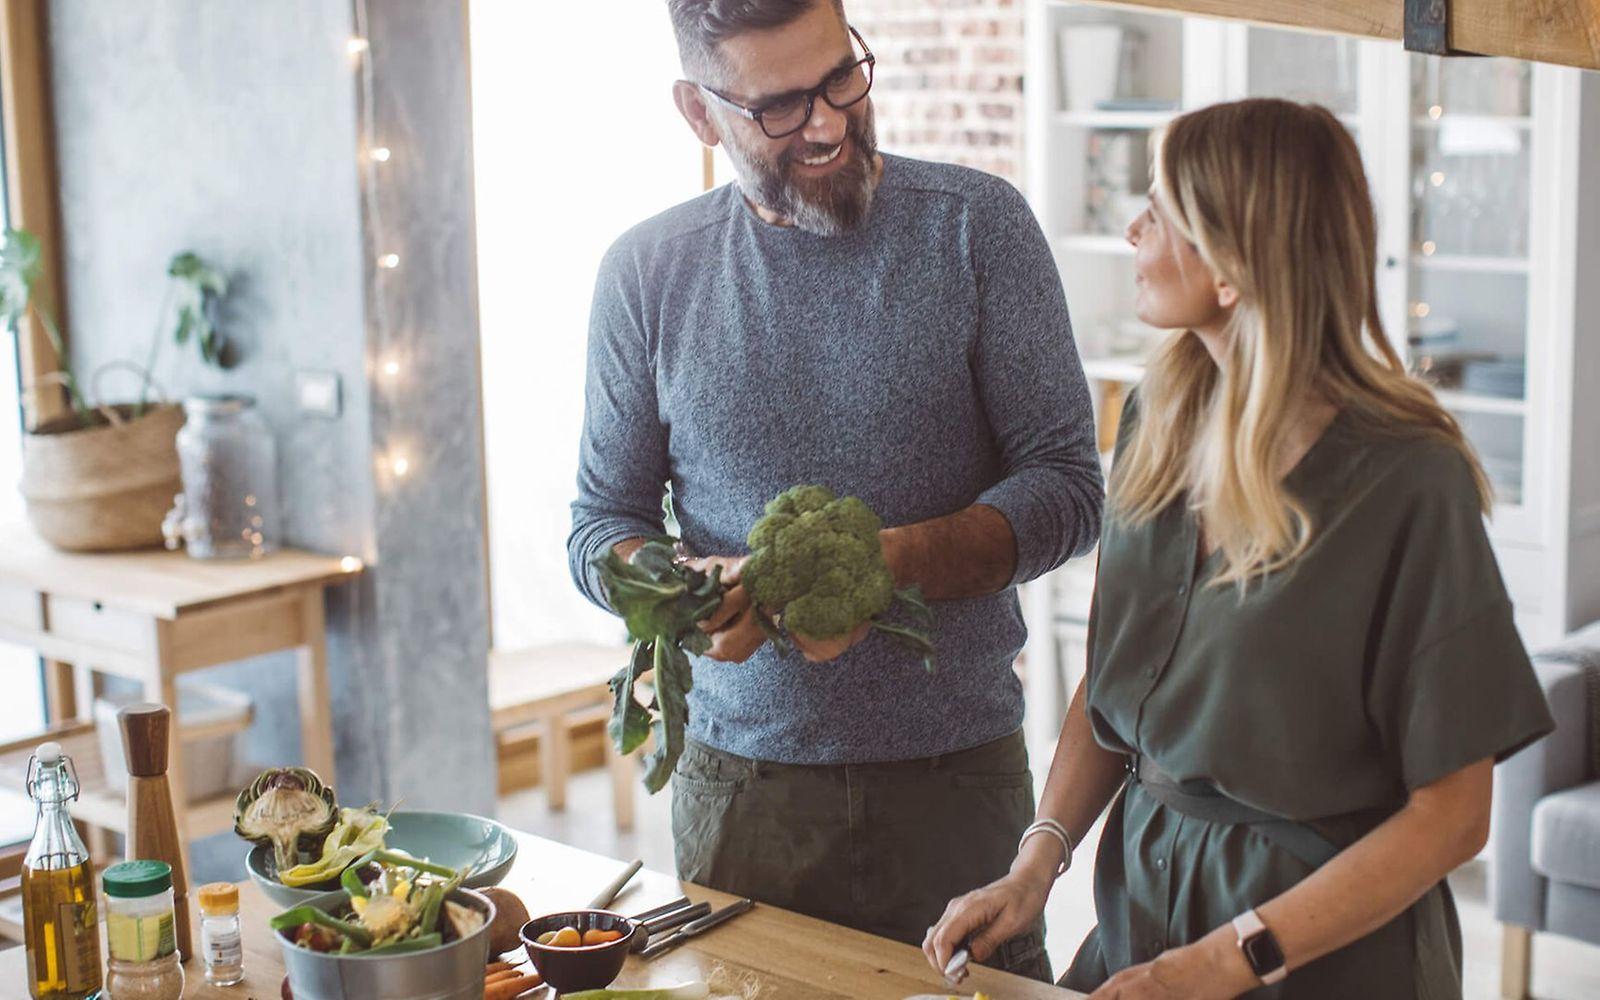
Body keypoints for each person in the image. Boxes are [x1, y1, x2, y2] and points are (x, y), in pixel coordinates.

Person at [923, 98, 1555, 998]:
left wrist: (1230, 958)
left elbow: (1453, 817)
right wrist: (1036, 865)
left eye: (1160, 210)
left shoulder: (1409, 478)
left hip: (1325, 952)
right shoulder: (1151, 422)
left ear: (1232, 263)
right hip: (1143, 920)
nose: (1131, 226)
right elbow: (1110, 684)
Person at [567, 0, 1102, 978]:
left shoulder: (979, 228)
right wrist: (685, 595)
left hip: (958, 780)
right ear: (697, 110)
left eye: (841, 78)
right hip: (742, 792)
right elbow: (601, 523)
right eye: (777, 105)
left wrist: (887, 566)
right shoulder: (647, 273)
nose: (825, 122)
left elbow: (1069, 488)